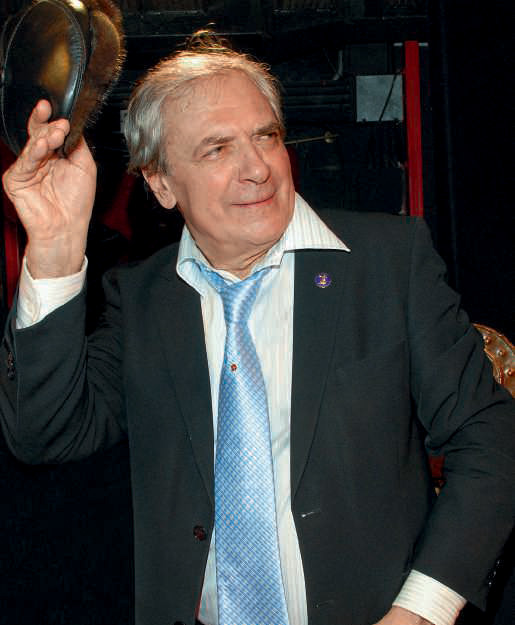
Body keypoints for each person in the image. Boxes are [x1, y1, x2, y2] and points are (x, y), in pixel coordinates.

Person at [1, 32, 514, 625]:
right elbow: (44, 435)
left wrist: (422, 609)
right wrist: (56, 248)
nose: (256, 168)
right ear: (160, 183)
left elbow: (491, 437)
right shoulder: (141, 299)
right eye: (217, 149)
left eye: (265, 136)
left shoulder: (388, 264)